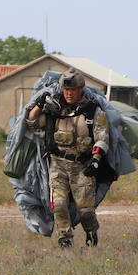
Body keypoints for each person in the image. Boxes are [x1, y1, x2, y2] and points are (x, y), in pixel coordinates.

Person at [26, 70, 110, 247]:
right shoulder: (54, 111)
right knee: (59, 204)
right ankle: (65, 239)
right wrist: (38, 106)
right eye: (66, 90)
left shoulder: (92, 111)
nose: (69, 93)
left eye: (73, 89)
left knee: (86, 210)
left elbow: (102, 137)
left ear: (81, 89)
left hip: (82, 166)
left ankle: (91, 232)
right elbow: (32, 123)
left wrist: (95, 160)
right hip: (58, 165)